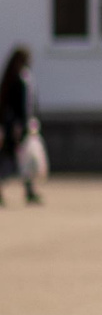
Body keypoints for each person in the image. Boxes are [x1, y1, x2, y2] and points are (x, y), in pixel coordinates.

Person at [0, 47, 37, 207]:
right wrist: (16, 125)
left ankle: (30, 190)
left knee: (25, 159)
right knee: (11, 160)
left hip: (22, 125)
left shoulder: (23, 77)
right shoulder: (16, 79)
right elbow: (16, 107)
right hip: (15, 126)